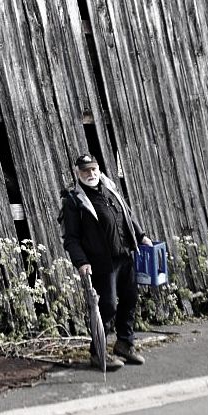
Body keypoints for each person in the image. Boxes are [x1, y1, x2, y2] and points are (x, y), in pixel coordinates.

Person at [60, 153, 152, 370]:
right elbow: (71, 238)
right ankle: (98, 352)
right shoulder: (73, 200)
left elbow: (127, 215)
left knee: (130, 299)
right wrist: (81, 262)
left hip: (125, 256)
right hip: (101, 262)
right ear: (77, 173)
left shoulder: (109, 188)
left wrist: (141, 236)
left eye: (93, 169)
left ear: (98, 168)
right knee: (107, 306)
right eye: (85, 171)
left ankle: (124, 344)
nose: (90, 174)